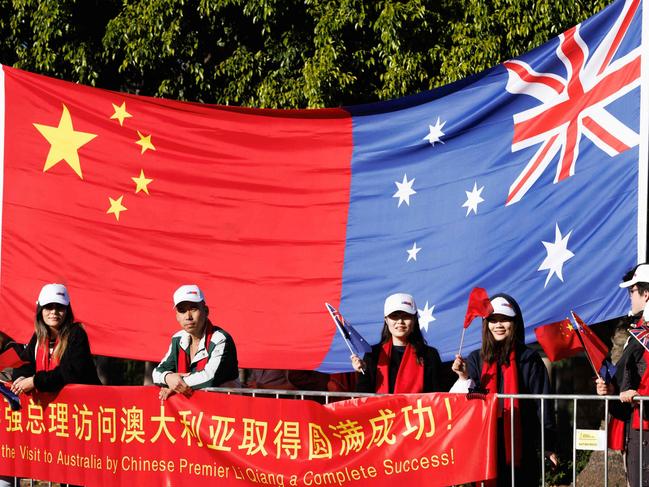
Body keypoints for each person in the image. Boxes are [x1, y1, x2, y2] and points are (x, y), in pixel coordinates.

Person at [451, 293, 557, 486]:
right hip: (484, 443)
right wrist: (464, 377)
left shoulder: (529, 358)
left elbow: (543, 403)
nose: (498, 325)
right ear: (486, 324)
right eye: (493, 320)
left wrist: (548, 445)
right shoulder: (475, 358)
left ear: (514, 323)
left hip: (522, 444)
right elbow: (468, 404)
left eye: (505, 319)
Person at [10, 283, 101, 396]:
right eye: (49, 307)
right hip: (53, 410)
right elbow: (23, 364)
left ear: (67, 311)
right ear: (40, 310)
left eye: (60, 307)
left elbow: (69, 372)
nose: (54, 312)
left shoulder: (76, 334)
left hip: (83, 407)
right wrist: (21, 378)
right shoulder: (38, 337)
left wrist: (35, 381)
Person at [152, 285, 239, 399]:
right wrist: (168, 378)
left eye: (193, 308)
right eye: (182, 311)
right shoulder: (177, 339)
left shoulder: (221, 339)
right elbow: (156, 373)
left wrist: (175, 384)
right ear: (177, 316)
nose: (188, 316)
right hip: (192, 414)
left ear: (206, 311)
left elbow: (209, 377)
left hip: (225, 411)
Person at [605, 263, 649, 486]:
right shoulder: (638, 327)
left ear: (646, 293)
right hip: (637, 419)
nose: (630, 297)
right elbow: (629, 370)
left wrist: (639, 393)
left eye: (632, 291)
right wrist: (611, 387)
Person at [351, 292, 442, 393]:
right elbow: (363, 398)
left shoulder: (429, 355)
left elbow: (438, 397)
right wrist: (362, 372)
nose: (400, 321)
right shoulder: (373, 354)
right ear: (386, 320)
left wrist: (462, 376)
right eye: (394, 316)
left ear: (414, 319)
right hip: (383, 409)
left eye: (406, 316)